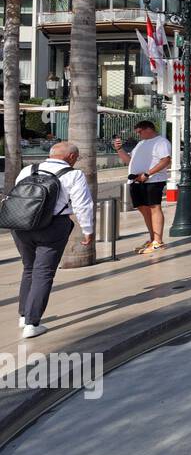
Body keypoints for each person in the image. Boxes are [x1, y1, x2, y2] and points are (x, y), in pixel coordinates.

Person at [9, 141, 94, 339]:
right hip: (53, 227)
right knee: (44, 272)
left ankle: (24, 315)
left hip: (21, 225)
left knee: (29, 268)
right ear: (71, 157)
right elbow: (83, 205)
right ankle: (32, 323)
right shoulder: (73, 174)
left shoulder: (28, 169)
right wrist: (87, 230)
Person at [112, 120, 172, 253]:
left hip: (153, 180)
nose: (138, 135)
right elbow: (129, 160)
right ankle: (153, 239)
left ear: (148, 129)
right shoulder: (140, 143)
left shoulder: (161, 142)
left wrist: (147, 174)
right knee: (143, 209)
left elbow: (166, 160)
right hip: (136, 181)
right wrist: (119, 149)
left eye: (140, 132)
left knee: (154, 207)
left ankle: (158, 241)